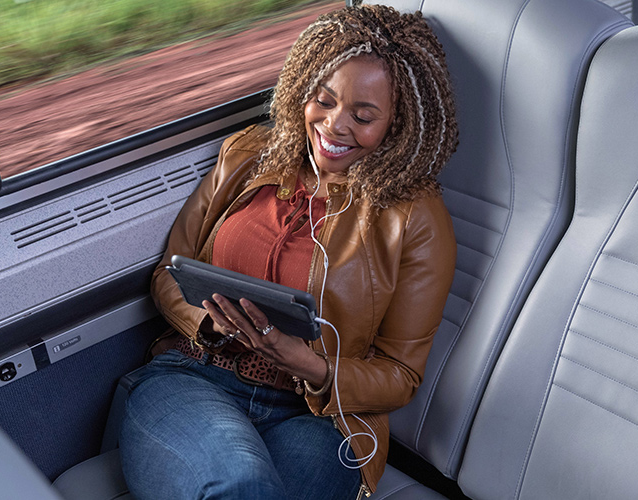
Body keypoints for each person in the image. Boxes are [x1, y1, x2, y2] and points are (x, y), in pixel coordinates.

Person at [118, 5, 459, 499]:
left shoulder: (415, 219)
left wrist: (309, 364)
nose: (335, 126)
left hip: (320, 416)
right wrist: (213, 323)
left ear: (398, 125)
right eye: (323, 101)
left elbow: (399, 376)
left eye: (363, 117)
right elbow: (170, 274)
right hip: (197, 376)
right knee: (243, 484)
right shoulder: (246, 156)